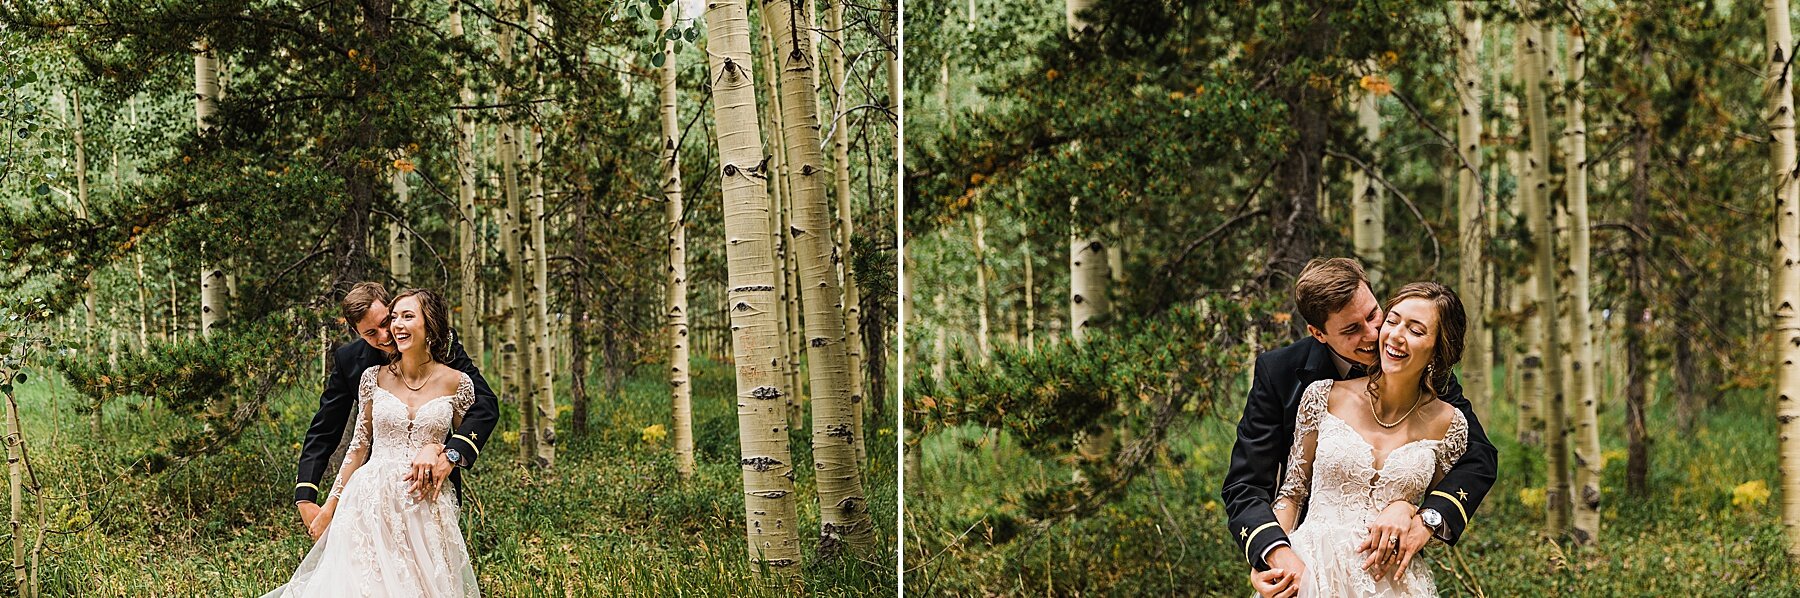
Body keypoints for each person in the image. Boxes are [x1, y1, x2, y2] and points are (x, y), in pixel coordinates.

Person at [1221, 259, 1497, 597]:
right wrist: (1273, 556)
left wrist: (1421, 515)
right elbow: (1248, 484)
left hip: (1389, 578)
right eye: (1351, 330)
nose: (1375, 335)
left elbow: (1479, 456)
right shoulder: (1282, 374)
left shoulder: (1424, 370)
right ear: (1318, 334)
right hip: (1311, 568)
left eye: (1373, 315)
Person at [267, 288, 482, 597]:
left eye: (391, 319)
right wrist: (312, 498)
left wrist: (443, 450)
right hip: (371, 499)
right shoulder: (362, 369)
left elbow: (481, 411)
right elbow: (333, 433)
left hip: (425, 498)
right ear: (358, 333)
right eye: (373, 331)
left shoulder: (450, 360)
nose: (388, 333)